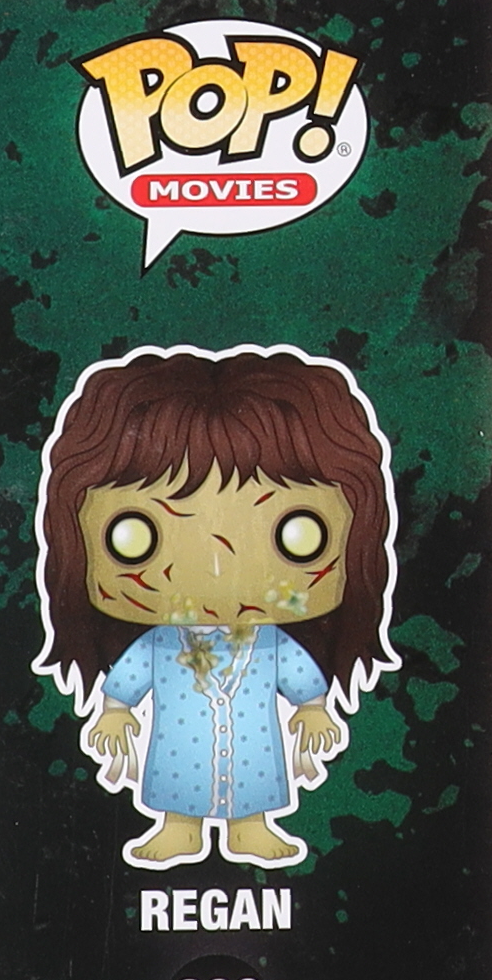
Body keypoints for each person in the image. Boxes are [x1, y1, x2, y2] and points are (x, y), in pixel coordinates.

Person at [33, 346, 399, 868]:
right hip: (176, 757)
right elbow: (124, 687)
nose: (216, 570)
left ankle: (251, 828)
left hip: (255, 757)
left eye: (298, 534)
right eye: (135, 536)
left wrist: (313, 710)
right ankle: (177, 829)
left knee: (254, 783)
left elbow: (303, 685)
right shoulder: (159, 645)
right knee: (176, 782)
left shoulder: (271, 645)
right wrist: (113, 715)